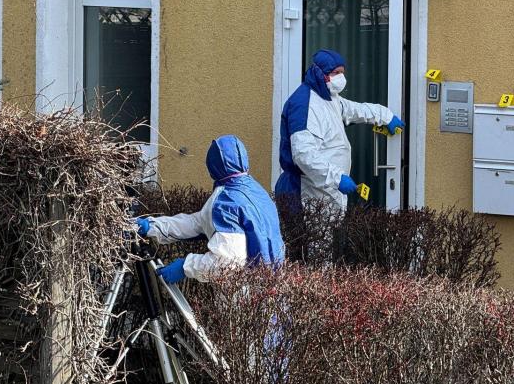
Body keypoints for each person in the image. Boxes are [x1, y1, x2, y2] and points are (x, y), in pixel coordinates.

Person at [135, 135, 285, 284]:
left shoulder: (225, 202)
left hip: (245, 289)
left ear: (212, 167)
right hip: (274, 285)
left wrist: (186, 266)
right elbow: (197, 223)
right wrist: (152, 226)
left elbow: (226, 263)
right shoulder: (257, 192)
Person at [274, 49, 404, 210]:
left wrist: (385, 116)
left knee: (326, 226)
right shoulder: (305, 105)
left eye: (342, 72)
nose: (341, 77)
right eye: (336, 73)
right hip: (306, 191)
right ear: (320, 73)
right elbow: (303, 155)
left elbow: (354, 110)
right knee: (312, 228)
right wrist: (336, 178)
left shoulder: (328, 97)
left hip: (324, 189)